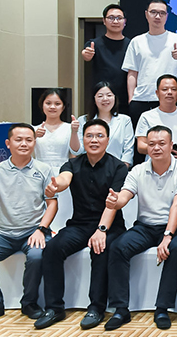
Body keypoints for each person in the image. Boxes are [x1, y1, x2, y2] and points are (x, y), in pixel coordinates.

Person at [35, 119, 129, 330]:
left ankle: (96, 308)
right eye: (89, 136)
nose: (94, 140)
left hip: (110, 226)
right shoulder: (72, 164)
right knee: (52, 249)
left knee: (100, 249)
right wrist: (55, 186)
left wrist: (101, 230)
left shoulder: (118, 167)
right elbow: (64, 179)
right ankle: (54, 308)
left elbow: (113, 204)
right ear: (83, 139)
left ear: (107, 140)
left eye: (99, 136)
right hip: (79, 225)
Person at [102, 126, 177, 330]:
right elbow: (124, 196)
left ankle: (162, 308)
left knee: (176, 248)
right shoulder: (138, 170)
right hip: (145, 227)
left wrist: (168, 235)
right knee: (117, 247)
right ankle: (120, 309)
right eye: (151, 144)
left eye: (162, 143)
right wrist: (115, 202)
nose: (156, 148)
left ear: (171, 145)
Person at [0, 124, 56, 324]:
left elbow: (52, 204)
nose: (24, 144)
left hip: (33, 232)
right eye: (18, 140)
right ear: (8, 143)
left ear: (34, 143)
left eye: (29, 140)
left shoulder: (43, 169)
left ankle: (29, 303)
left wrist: (41, 229)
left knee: (36, 257)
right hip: (2, 234)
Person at [122, 0, 177, 129]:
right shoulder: (137, 41)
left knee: (171, 138)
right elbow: (132, 72)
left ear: (167, 16)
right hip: (141, 99)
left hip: (169, 99)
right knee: (142, 139)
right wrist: (131, 99)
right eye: (153, 12)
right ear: (146, 14)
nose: (157, 16)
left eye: (162, 13)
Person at [81, 3, 131, 113]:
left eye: (119, 18)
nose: (115, 21)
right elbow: (86, 54)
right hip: (102, 100)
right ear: (104, 21)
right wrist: (86, 54)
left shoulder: (132, 45)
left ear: (125, 21)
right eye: (111, 18)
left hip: (125, 100)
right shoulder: (94, 44)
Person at [71, 81, 134, 166]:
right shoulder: (83, 120)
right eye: (100, 96)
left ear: (115, 98)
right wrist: (74, 132)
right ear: (94, 99)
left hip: (116, 168)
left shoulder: (125, 120)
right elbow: (77, 151)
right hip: (89, 168)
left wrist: (121, 170)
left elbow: (128, 150)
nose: (105, 99)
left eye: (109, 95)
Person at [135, 74, 177, 162]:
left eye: (173, 89)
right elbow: (141, 146)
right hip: (153, 166)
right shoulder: (146, 116)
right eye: (165, 89)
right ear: (157, 93)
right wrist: (163, 150)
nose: (169, 92)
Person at [33, 88, 77, 173]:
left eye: (57, 104)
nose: (52, 107)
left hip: (63, 172)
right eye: (48, 103)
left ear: (63, 107)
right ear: (42, 105)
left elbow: (74, 154)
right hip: (39, 172)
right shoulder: (34, 129)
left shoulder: (70, 128)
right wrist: (33, 137)